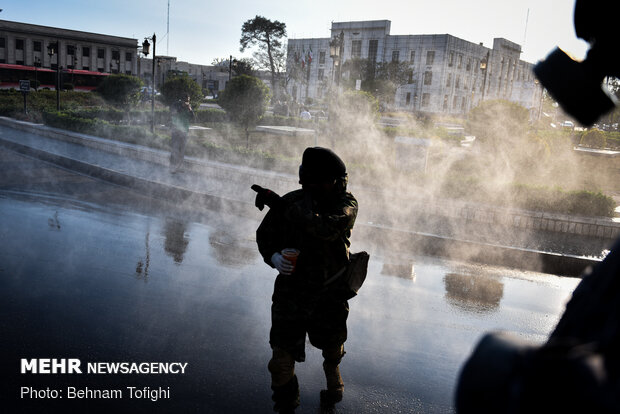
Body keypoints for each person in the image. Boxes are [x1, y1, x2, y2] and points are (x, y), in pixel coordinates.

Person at [251, 147, 358, 413]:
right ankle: (286, 406)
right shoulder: (292, 202)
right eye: (307, 182)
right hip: (292, 293)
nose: (311, 188)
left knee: (332, 347)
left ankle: (332, 368)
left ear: (334, 181)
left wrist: (280, 204)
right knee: (280, 362)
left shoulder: (346, 205)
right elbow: (265, 235)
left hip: (330, 293)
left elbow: (323, 228)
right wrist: (274, 257)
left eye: (318, 182)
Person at [169, 94, 194, 172]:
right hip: (176, 130)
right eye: (186, 100)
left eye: (188, 100)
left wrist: (190, 110)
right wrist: (182, 106)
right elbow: (173, 113)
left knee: (182, 150)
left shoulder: (188, 107)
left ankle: (179, 167)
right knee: (175, 149)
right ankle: (172, 167)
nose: (187, 102)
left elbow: (193, 118)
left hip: (184, 131)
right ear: (182, 99)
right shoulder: (176, 104)